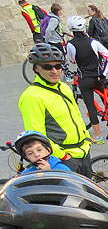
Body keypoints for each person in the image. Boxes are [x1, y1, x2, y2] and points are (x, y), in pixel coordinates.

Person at [18, 44, 92, 177]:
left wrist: (86, 137)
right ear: (36, 68)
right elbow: (36, 136)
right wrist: (63, 156)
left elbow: (76, 115)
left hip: (83, 152)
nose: (54, 71)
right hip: (63, 158)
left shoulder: (64, 87)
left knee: (87, 189)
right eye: (47, 67)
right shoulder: (32, 97)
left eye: (58, 66)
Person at [66, 15, 108, 144]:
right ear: (84, 28)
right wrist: (103, 74)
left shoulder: (70, 44)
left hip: (84, 79)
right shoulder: (93, 42)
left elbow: (72, 59)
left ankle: (98, 136)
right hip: (98, 77)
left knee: (90, 106)